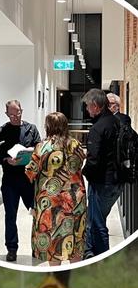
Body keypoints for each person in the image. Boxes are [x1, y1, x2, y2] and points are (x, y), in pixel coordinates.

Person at [25, 113, 87, 265]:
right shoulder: (76, 144)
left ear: (48, 127)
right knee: (75, 238)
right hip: (75, 200)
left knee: (52, 240)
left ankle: (56, 279)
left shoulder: (42, 147)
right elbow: (80, 164)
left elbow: (30, 173)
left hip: (51, 201)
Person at [0, 100, 42, 262]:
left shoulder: (31, 129)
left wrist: (31, 155)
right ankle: (12, 248)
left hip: (28, 179)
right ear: (6, 114)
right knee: (10, 215)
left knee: (36, 213)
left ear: (22, 110)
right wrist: (7, 160)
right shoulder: (2, 131)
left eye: (18, 113)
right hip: (10, 180)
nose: (15, 117)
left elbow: (39, 149)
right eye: (12, 115)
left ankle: (38, 246)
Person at [82, 88, 122, 258]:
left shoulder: (97, 128)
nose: (86, 109)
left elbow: (94, 160)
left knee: (97, 224)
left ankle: (102, 260)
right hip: (117, 181)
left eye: (88, 106)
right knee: (94, 221)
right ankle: (89, 253)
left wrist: (83, 172)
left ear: (96, 106)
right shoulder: (116, 122)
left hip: (101, 183)